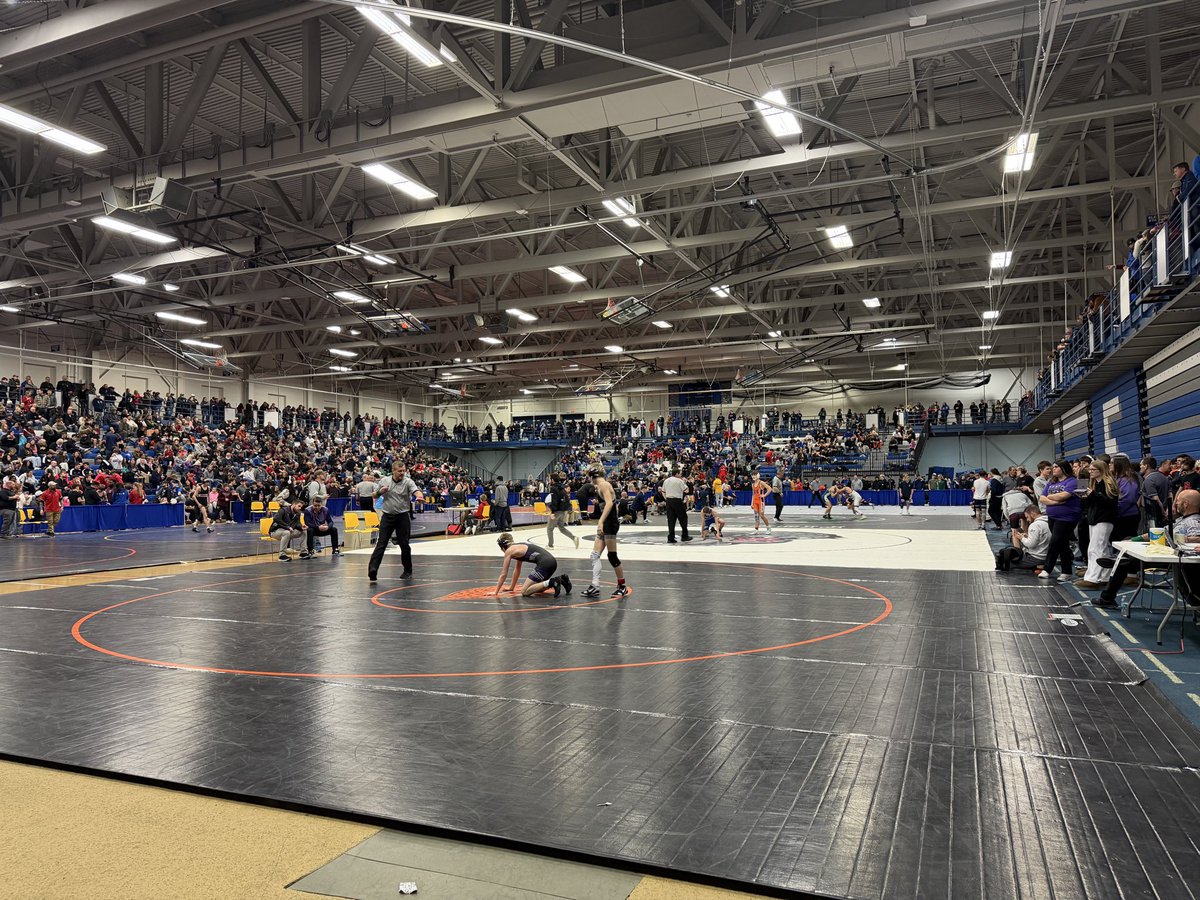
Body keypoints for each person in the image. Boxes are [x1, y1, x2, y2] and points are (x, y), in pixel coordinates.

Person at [1092, 489, 1200, 608]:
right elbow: (1159, 532)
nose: (1175, 504)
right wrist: (1135, 540)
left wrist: (1178, 539)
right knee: (1128, 541)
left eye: (1178, 501)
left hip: (1169, 558)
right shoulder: (1181, 520)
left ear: (1186, 504)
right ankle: (1118, 559)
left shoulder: (1193, 521)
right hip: (1162, 552)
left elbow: (1197, 538)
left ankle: (1107, 597)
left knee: (1125, 563)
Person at [582, 466, 628, 599]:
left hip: (609, 523)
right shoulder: (602, 486)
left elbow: (609, 504)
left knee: (612, 556)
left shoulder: (603, 485)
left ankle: (622, 586)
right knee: (594, 555)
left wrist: (601, 521)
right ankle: (595, 586)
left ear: (592, 476)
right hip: (608, 522)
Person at [368, 460, 418, 581]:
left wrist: (420, 496)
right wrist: (380, 491)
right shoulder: (384, 481)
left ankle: (407, 570)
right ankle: (372, 570)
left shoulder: (408, 481)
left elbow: (415, 491)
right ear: (393, 471)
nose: (402, 473)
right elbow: (374, 495)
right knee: (381, 543)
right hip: (388, 516)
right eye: (400, 471)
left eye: (403, 471)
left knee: (404, 544)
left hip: (402, 516)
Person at [1076, 458, 1119, 589]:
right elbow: (1094, 502)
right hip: (1095, 518)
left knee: (1095, 548)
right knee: (1103, 548)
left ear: (1101, 470)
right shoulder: (1096, 484)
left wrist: (1093, 495)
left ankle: (1092, 578)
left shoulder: (1108, 484)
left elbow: (1109, 502)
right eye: (1090, 470)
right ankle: (1105, 576)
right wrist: (1086, 497)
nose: (1090, 472)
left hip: (1104, 519)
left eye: (1093, 470)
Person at [1039, 459, 1081, 582]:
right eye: (1053, 467)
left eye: (1056, 467)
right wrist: (1055, 501)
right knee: (1062, 543)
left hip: (1067, 518)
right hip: (1052, 517)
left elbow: (1064, 495)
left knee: (1055, 541)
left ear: (1063, 468)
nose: (1053, 469)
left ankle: (1047, 568)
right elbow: (1042, 498)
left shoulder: (1072, 482)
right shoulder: (1051, 482)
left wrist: (1051, 497)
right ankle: (1067, 571)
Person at [494, 532, 571, 598]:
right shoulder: (518, 547)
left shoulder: (509, 551)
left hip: (545, 564)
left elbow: (504, 573)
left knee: (525, 592)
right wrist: (511, 588)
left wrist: (496, 592)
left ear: (502, 547)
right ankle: (561, 579)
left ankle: (553, 581)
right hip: (552, 562)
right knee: (538, 588)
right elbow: (517, 569)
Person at [996, 505, 1050, 572]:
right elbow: (1043, 538)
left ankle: (1038, 566)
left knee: (1004, 564)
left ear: (1032, 514)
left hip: (1036, 557)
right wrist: (1028, 536)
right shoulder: (1049, 522)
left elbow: (1030, 545)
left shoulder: (1035, 525)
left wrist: (1021, 538)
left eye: (1027, 517)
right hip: (1047, 556)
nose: (1027, 520)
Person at [545, 472, 579, 549]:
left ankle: (550, 545)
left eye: (550, 479)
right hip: (563, 512)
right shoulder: (562, 487)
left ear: (552, 480)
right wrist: (568, 508)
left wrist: (552, 512)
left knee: (549, 528)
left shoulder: (553, 488)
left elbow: (554, 500)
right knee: (562, 528)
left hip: (556, 511)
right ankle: (574, 538)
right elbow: (567, 499)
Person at [662, 467, 692, 543]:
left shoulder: (666, 480)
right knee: (683, 518)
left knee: (671, 520)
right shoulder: (679, 481)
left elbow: (663, 491)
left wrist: (666, 499)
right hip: (677, 500)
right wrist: (686, 484)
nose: (681, 474)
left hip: (669, 501)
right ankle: (684, 536)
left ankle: (670, 538)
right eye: (680, 473)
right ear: (677, 474)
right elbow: (687, 490)